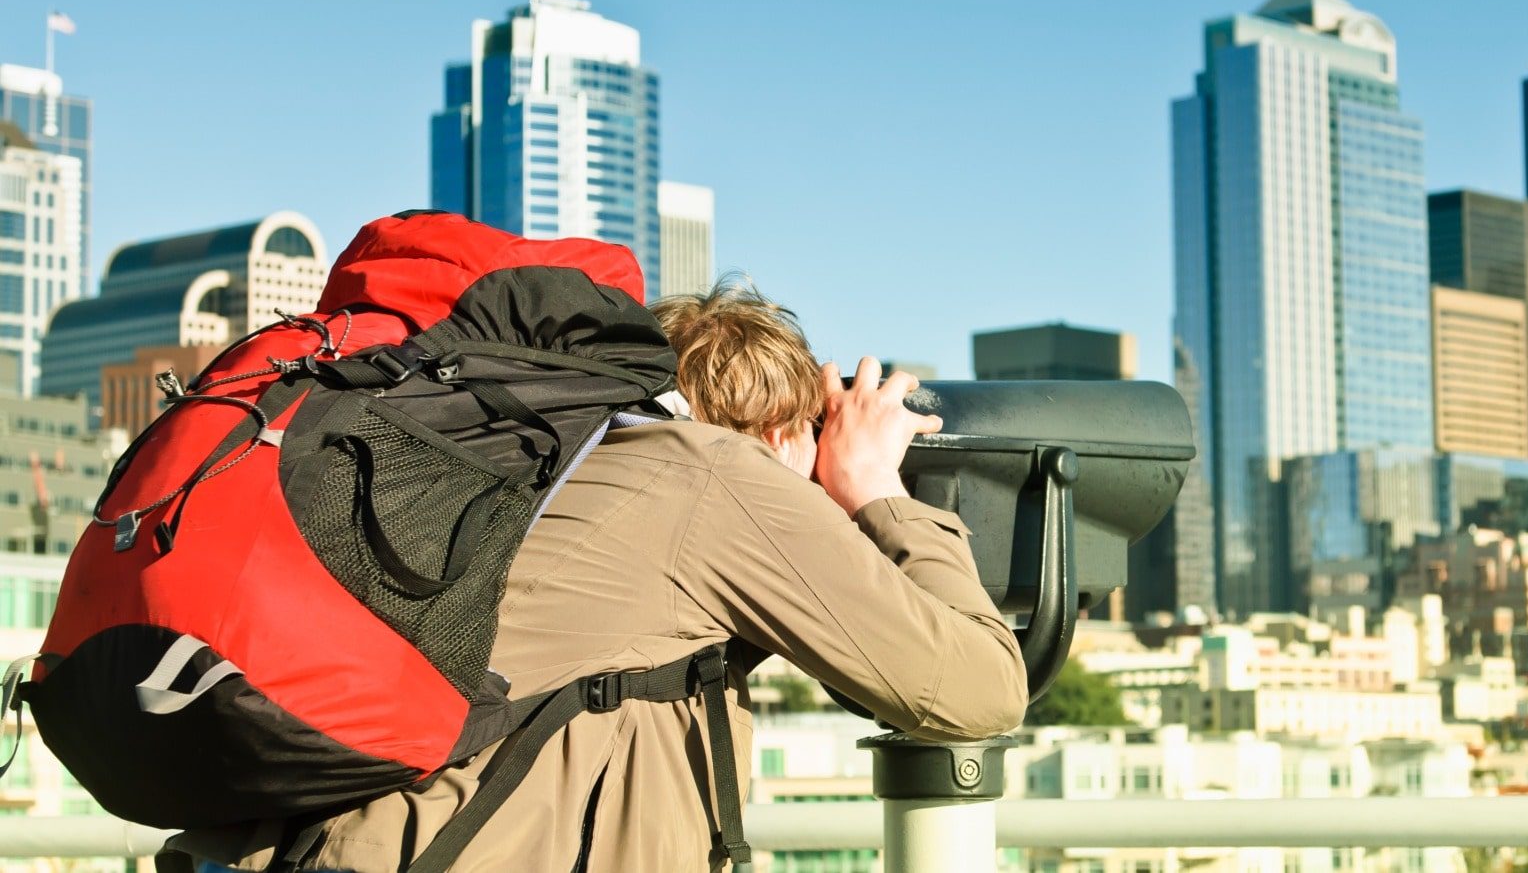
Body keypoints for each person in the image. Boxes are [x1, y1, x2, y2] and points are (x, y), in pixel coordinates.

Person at [173, 282, 1028, 871]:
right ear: (778, 434)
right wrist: (875, 486)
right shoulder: (714, 476)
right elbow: (981, 687)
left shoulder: (564, 467)